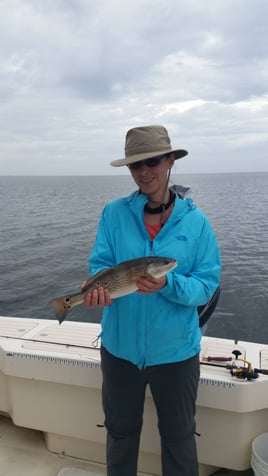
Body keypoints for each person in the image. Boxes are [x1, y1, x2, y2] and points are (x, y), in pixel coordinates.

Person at [84, 125, 221, 476]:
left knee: (178, 438)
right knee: (120, 434)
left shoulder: (198, 223)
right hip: (119, 350)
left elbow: (206, 285)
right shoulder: (113, 214)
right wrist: (99, 289)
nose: (144, 172)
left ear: (170, 161)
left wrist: (168, 284)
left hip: (176, 354)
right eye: (135, 165)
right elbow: (101, 264)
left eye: (153, 161)